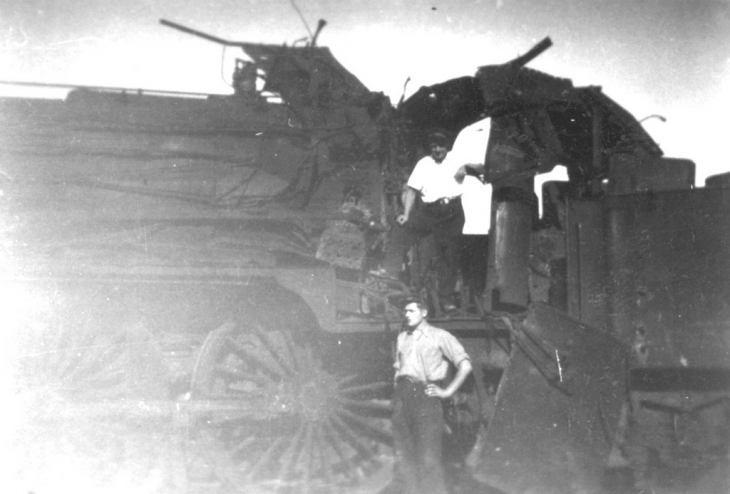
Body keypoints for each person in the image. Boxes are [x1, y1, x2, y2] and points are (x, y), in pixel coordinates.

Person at [392, 298, 473, 494]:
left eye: (411, 311)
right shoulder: (402, 337)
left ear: (424, 313)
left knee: (429, 460)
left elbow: (465, 365)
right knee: (404, 460)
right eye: (405, 311)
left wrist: (446, 392)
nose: (407, 315)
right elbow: (398, 367)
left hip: (426, 397)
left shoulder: (440, 336)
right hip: (402, 398)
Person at [387, 131, 465, 312]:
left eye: (441, 146)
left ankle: (446, 299)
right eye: (433, 146)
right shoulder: (423, 164)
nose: (437, 149)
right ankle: (390, 279)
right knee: (402, 229)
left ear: (447, 146)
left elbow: (480, 168)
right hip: (429, 212)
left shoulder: (458, 161)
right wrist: (406, 214)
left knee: (449, 254)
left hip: (452, 213)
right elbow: (412, 191)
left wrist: (466, 170)